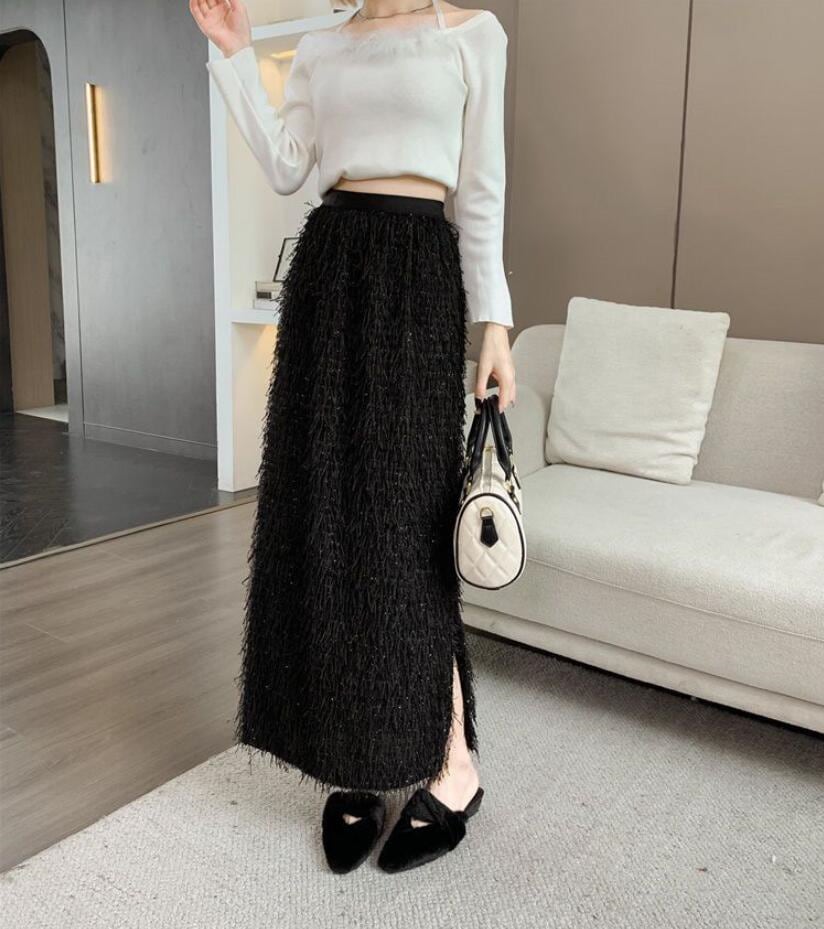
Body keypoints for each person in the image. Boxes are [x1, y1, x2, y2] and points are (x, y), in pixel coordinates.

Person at [190, 0, 516, 873]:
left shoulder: (471, 36)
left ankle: (453, 763)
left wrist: (495, 323)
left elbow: (481, 189)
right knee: (330, 516)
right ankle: (357, 755)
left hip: (418, 277)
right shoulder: (321, 46)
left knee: (406, 528)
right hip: (330, 274)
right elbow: (288, 165)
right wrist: (236, 53)